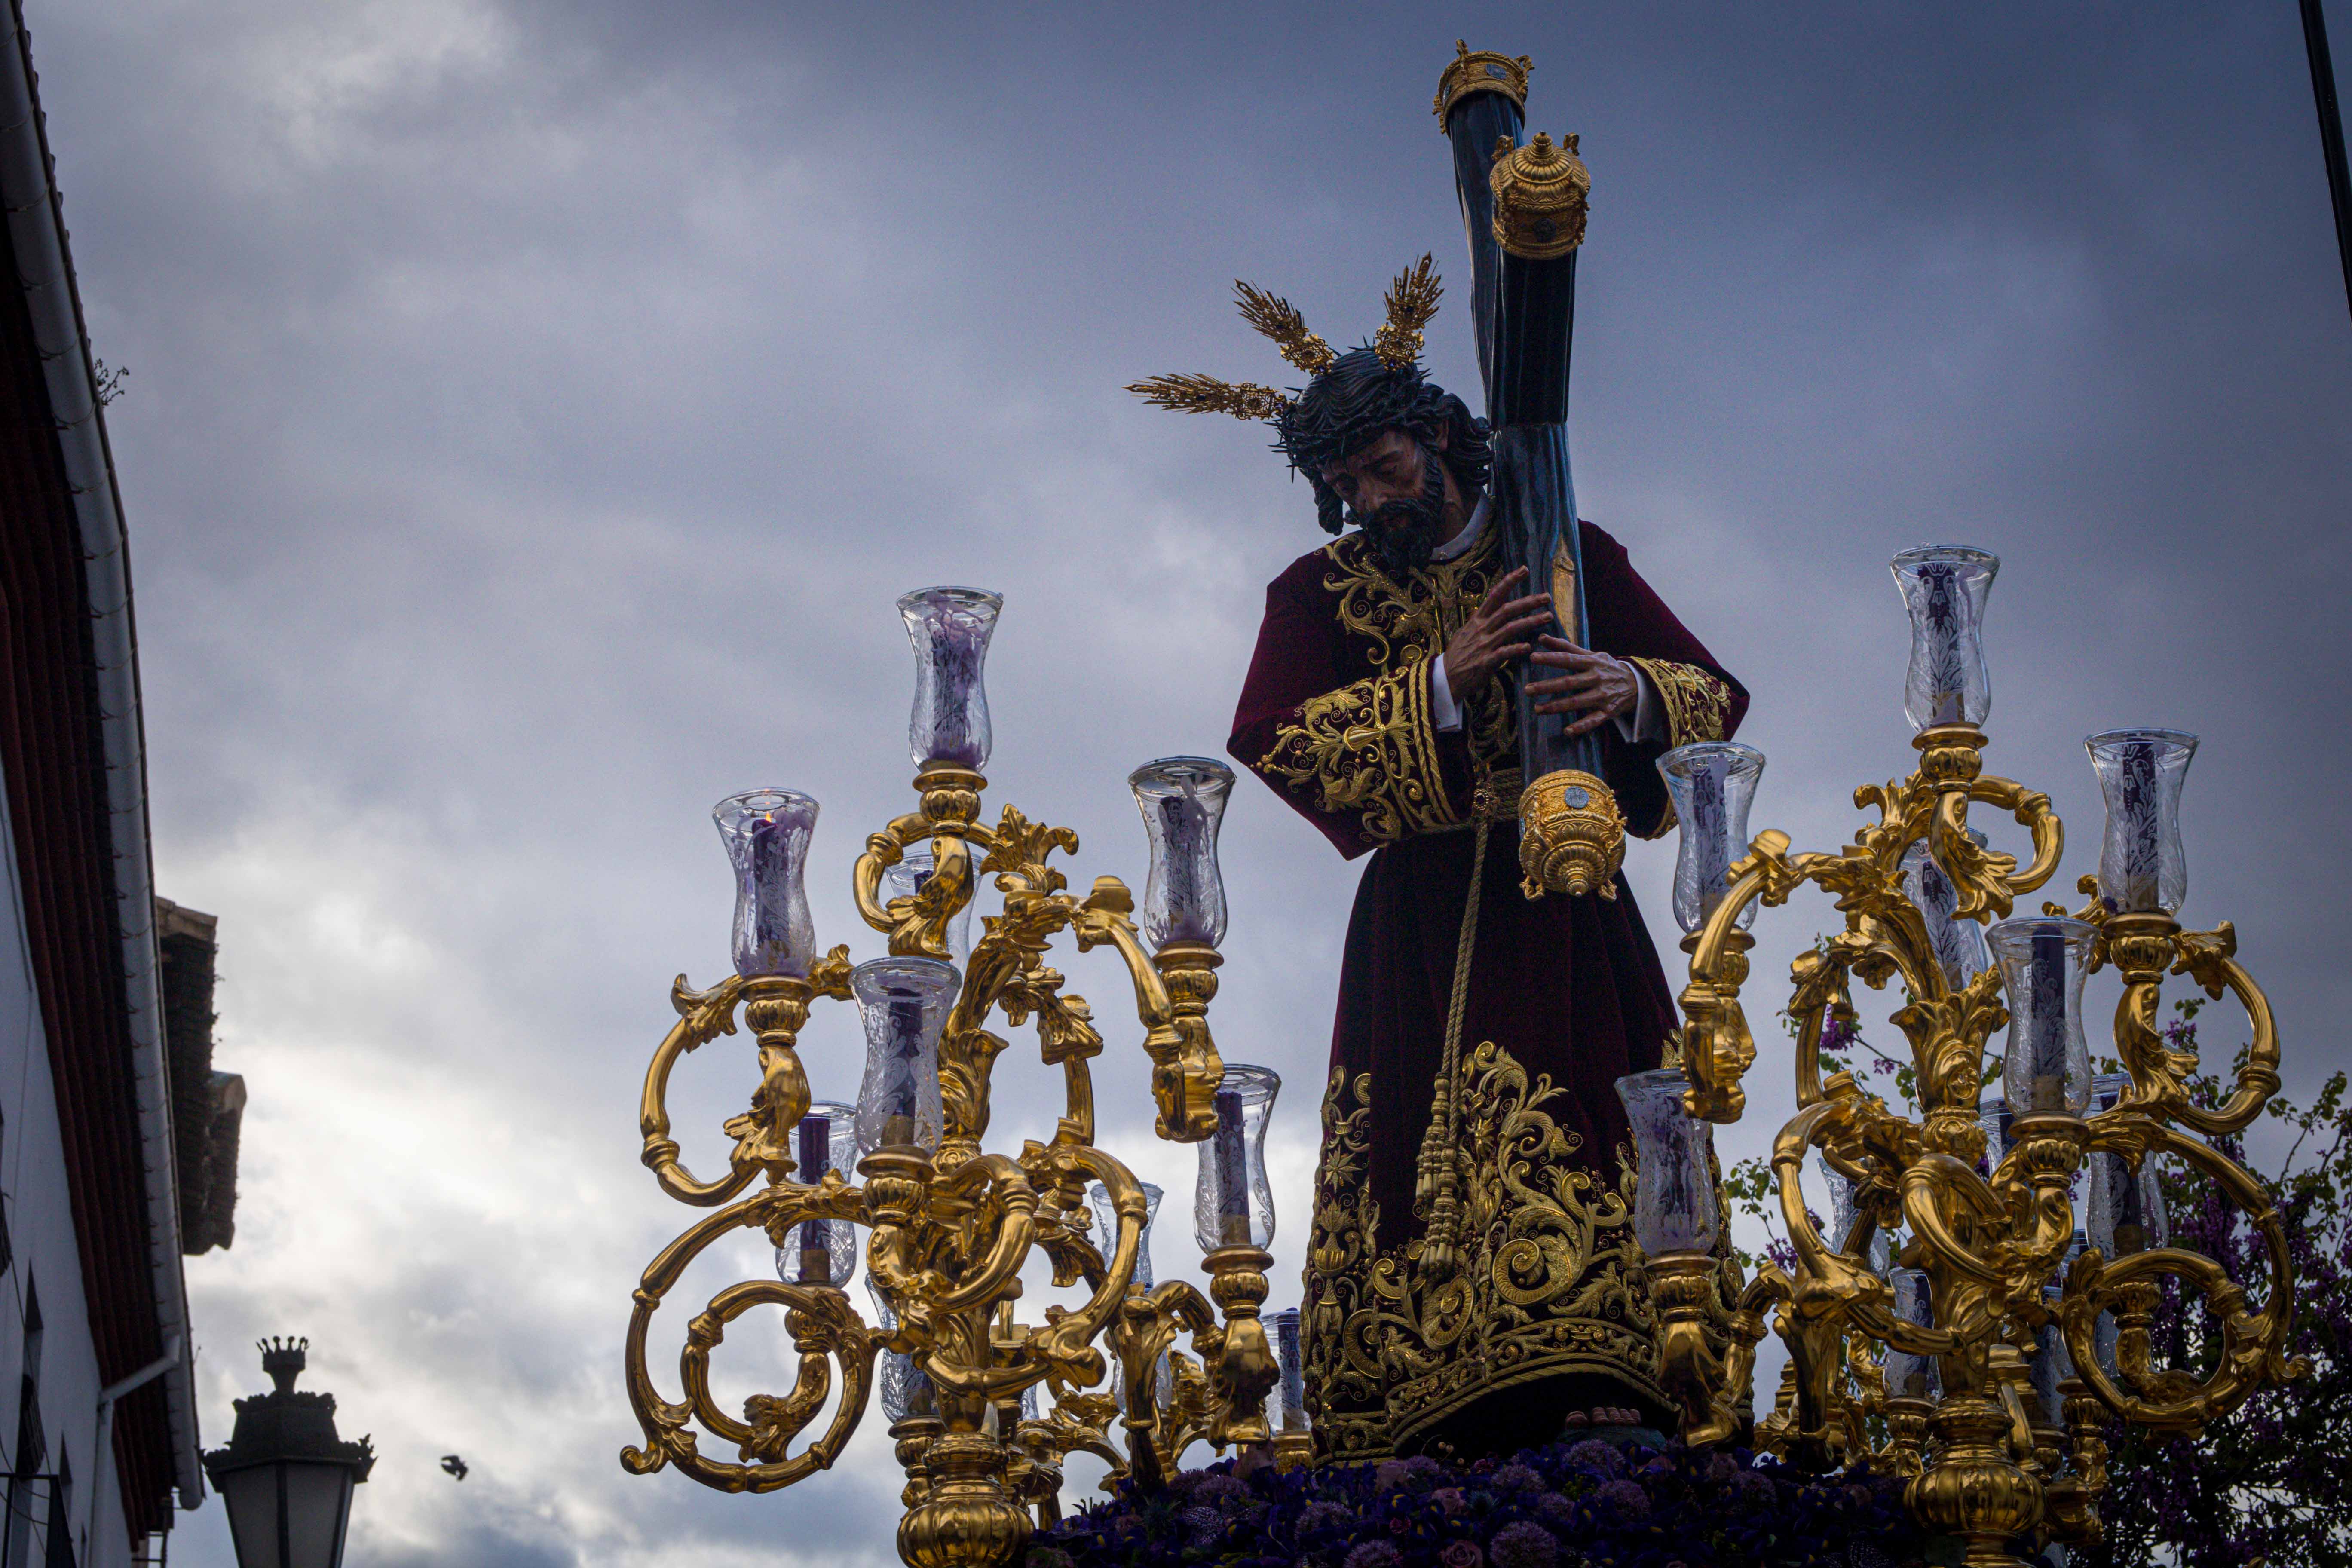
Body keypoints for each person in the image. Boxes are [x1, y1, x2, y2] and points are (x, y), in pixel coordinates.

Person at [1132, 272, 1747, 1462]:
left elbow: (1711, 702)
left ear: (1434, 435)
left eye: (1383, 466)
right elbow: (1271, 737)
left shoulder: (1569, 549)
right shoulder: (1319, 592)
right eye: (1346, 485)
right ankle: (1409, 1388)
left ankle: (1616, 1365)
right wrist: (1438, 686)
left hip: (1565, 893)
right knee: (1412, 1142)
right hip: (1415, 913)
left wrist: (1630, 691)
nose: (1369, 498)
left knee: (1587, 1099)